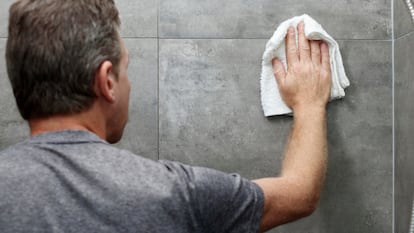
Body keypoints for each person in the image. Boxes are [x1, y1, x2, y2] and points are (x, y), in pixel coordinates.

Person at [0, 0, 331, 232]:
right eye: (125, 69)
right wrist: (309, 103)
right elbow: (299, 193)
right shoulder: (176, 193)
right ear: (107, 81)